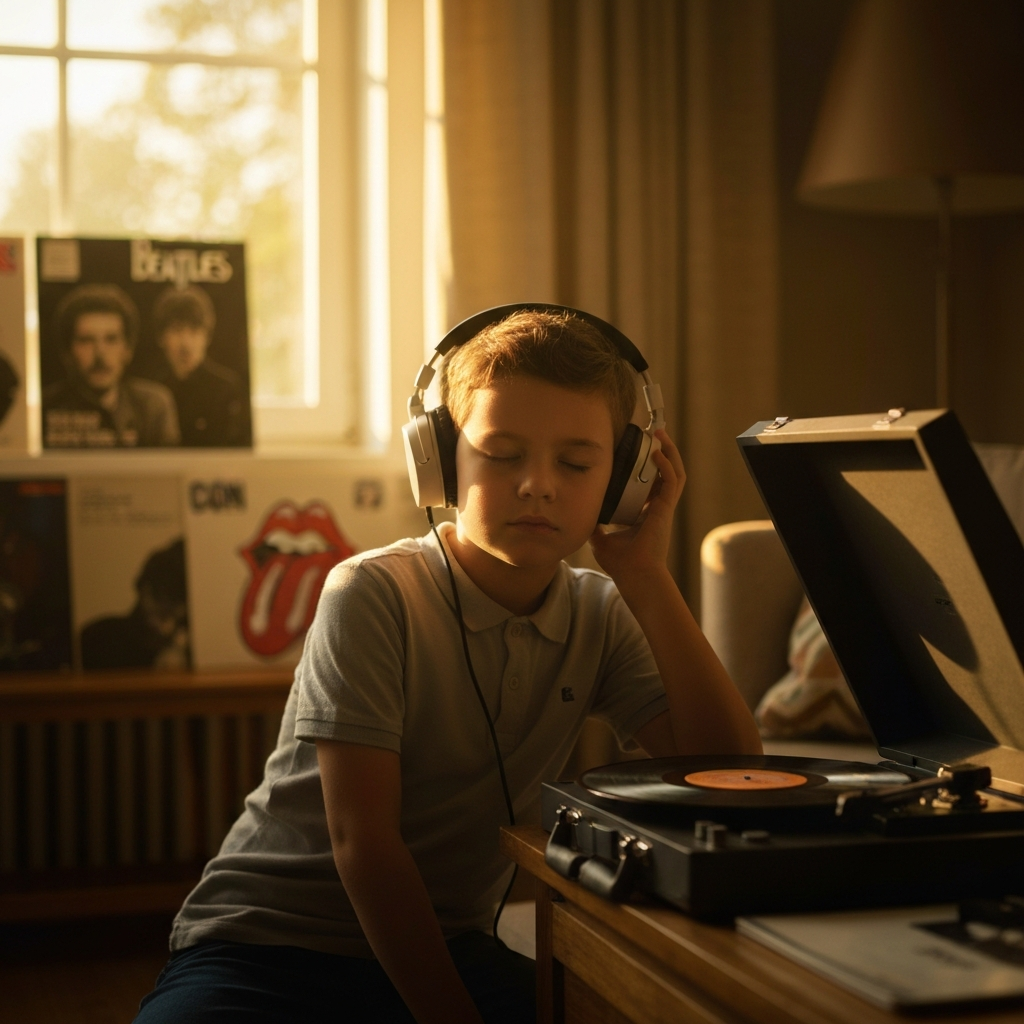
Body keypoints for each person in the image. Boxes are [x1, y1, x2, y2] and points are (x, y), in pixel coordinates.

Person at [135, 309, 761, 1024]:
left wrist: (646, 574)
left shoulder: (602, 611)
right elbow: (363, 843)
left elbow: (736, 774)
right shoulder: (372, 594)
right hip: (268, 944)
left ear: (625, 478)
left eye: (577, 463)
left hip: (446, 940)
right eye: (502, 454)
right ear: (437, 461)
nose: (538, 485)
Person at [43, 284, 180, 448]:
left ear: (127, 350)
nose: (100, 354)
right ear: (67, 352)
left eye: (111, 339)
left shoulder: (154, 406)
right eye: (86, 340)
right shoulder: (44, 407)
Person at [153, 285, 251, 447]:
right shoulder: (151, 391)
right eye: (177, 330)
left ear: (207, 336)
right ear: (161, 337)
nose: (186, 343)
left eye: (194, 331)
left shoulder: (227, 389)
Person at [80, 538, 191, 671]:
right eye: (163, 613)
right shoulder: (98, 638)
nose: (168, 627)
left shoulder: (188, 646)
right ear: (146, 591)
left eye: (178, 618)